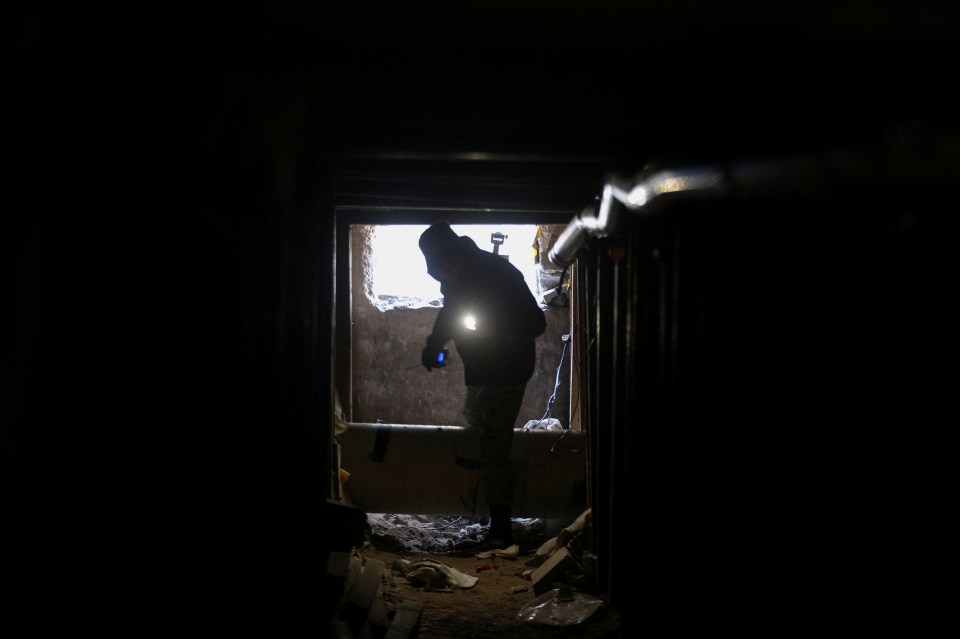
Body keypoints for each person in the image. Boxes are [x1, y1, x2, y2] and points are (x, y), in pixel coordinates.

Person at [418, 221, 547, 549]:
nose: (442, 277)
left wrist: (498, 333)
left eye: (443, 270)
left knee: (494, 447)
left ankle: (502, 530)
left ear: (456, 255)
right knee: (472, 430)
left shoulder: (500, 274)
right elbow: (450, 312)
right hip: (479, 373)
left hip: (507, 373)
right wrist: (434, 345)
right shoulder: (454, 277)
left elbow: (537, 322)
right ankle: (479, 507)